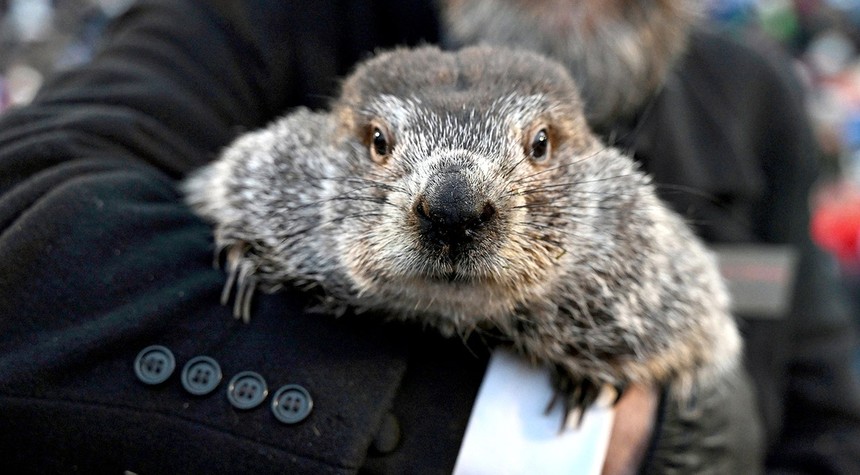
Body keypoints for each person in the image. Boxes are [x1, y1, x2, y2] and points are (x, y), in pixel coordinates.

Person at [0, 1, 857, 473]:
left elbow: (827, 419)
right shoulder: (262, 21)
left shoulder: (758, 99)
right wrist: (519, 437)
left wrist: (689, 430)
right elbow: (29, 213)